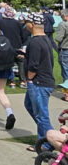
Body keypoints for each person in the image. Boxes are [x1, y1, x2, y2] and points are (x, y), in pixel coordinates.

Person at [23, 12, 56, 147]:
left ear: (31, 24)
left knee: (41, 115)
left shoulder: (35, 42)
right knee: (29, 105)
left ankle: (48, 142)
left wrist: (29, 79)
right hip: (43, 81)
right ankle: (46, 136)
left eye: (26, 23)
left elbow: (34, 65)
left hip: (39, 82)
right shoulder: (45, 39)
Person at [54, 10, 68, 83]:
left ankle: (67, 90)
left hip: (65, 49)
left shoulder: (63, 24)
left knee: (65, 71)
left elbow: (59, 38)